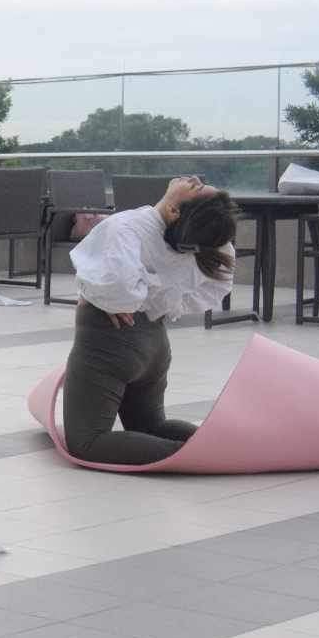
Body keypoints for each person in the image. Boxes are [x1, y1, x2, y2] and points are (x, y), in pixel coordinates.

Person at [63, 176, 237, 465]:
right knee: (151, 426)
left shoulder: (128, 227)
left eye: (197, 187)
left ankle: (201, 456)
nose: (193, 179)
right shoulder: (206, 240)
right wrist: (160, 303)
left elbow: (116, 290)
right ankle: (223, 446)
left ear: (175, 210)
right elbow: (214, 288)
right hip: (154, 344)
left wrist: (122, 301)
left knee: (87, 441)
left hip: (108, 342)